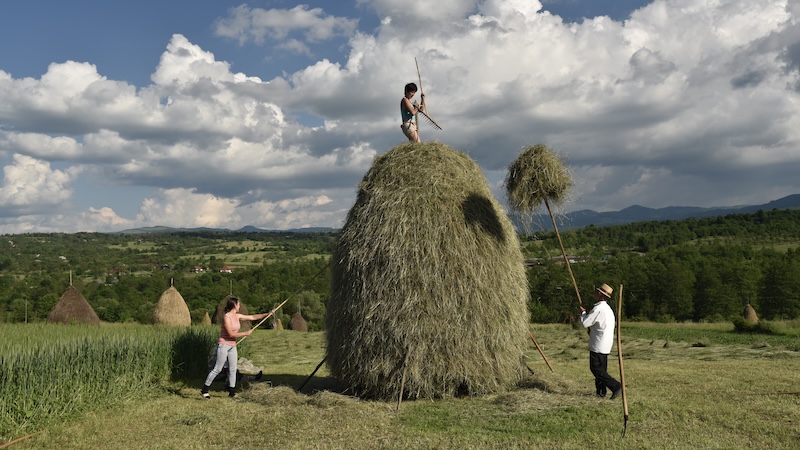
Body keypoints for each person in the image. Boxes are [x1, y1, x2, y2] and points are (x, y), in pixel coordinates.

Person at [201, 297, 270, 398]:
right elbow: (230, 334)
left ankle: (232, 392)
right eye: (238, 304)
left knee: (233, 369)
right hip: (224, 345)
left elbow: (252, 317)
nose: (239, 306)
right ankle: (204, 390)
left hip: (232, 346)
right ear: (234, 305)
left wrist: (267, 314)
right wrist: (245, 333)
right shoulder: (226, 317)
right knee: (218, 368)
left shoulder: (237, 316)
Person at [579, 283, 622, 399]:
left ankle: (616, 386)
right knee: (601, 370)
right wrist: (592, 330)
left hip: (598, 344)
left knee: (596, 369)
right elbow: (600, 325)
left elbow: (585, 323)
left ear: (600, 294)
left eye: (597, 292)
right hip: (606, 343)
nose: (595, 293)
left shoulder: (598, 309)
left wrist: (583, 313)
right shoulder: (608, 309)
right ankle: (601, 393)